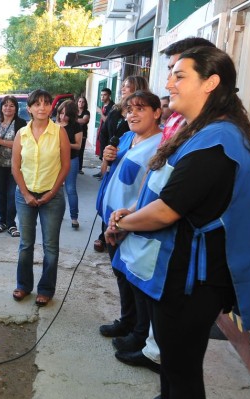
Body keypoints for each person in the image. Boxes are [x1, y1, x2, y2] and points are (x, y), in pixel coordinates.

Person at [107, 46, 250, 399]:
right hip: (180, 269)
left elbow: (167, 210)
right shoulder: (203, 131)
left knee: (182, 366)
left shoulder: (217, 142)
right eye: (170, 74)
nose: (168, 83)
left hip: (198, 279)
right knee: (173, 357)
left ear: (210, 83)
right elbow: (167, 191)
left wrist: (121, 223)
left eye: (179, 75)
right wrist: (133, 211)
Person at [96, 90, 162, 362]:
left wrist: (127, 222)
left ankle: (139, 332)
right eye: (129, 110)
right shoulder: (126, 138)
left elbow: (151, 191)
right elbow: (105, 172)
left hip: (133, 223)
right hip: (112, 219)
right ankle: (127, 321)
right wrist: (107, 158)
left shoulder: (160, 145)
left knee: (136, 281)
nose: (132, 114)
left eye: (140, 109)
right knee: (121, 274)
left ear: (157, 112)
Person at [11, 89, 70, 307]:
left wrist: (51, 193)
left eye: (46, 103)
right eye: (37, 104)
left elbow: (66, 166)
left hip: (52, 197)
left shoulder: (59, 132)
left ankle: (45, 290)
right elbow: (15, 167)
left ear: (51, 107)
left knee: (50, 247)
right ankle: (24, 285)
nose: (42, 107)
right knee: (26, 244)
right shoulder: (21, 134)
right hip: (24, 196)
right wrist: (26, 194)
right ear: (30, 108)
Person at [93, 76, 148, 253]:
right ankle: (106, 234)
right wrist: (105, 156)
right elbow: (104, 133)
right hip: (112, 178)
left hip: (130, 199)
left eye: (127, 86)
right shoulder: (121, 126)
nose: (123, 89)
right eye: (122, 86)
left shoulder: (152, 142)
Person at [0, 95, 26, 237]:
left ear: (16, 108)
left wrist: (0, 142)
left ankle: (11, 224)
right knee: (0, 195)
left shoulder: (21, 123)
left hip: (15, 166)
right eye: (5, 105)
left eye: (11, 105)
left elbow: (22, 144)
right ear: (1, 107)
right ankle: (2, 221)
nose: (8, 108)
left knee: (12, 195)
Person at [55, 100, 83, 230]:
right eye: (61, 113)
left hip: (71, 159)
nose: (62, 117)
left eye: (65, 114)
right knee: (56, 189)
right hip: (55, 160)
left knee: (70, 189)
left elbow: (78, 145)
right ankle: (56, 214)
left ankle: (74, 218)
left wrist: (64, 143)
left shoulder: (76, 126)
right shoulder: (54, 124)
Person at [93, 87, 113, 168]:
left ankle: (104, 172)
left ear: (109, 96)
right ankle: (101, 170)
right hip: (102, 132)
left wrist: (100, 112)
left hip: (107, 134)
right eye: (101, 95)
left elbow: (107, 120)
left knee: (106, 154)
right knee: (101, 153)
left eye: (104, 95)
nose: (102, 97)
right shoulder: (104, 105)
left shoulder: (112, 106)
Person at [76, 96, 90, 174]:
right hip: (73, 133)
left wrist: (73, 119)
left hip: (83, 134)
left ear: (85, 103)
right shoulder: (74, 111)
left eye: (83, 102)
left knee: (80, 152)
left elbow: (84, 120)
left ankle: (79, 168)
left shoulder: (86, 112)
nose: (81, 103)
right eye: (79, 101)